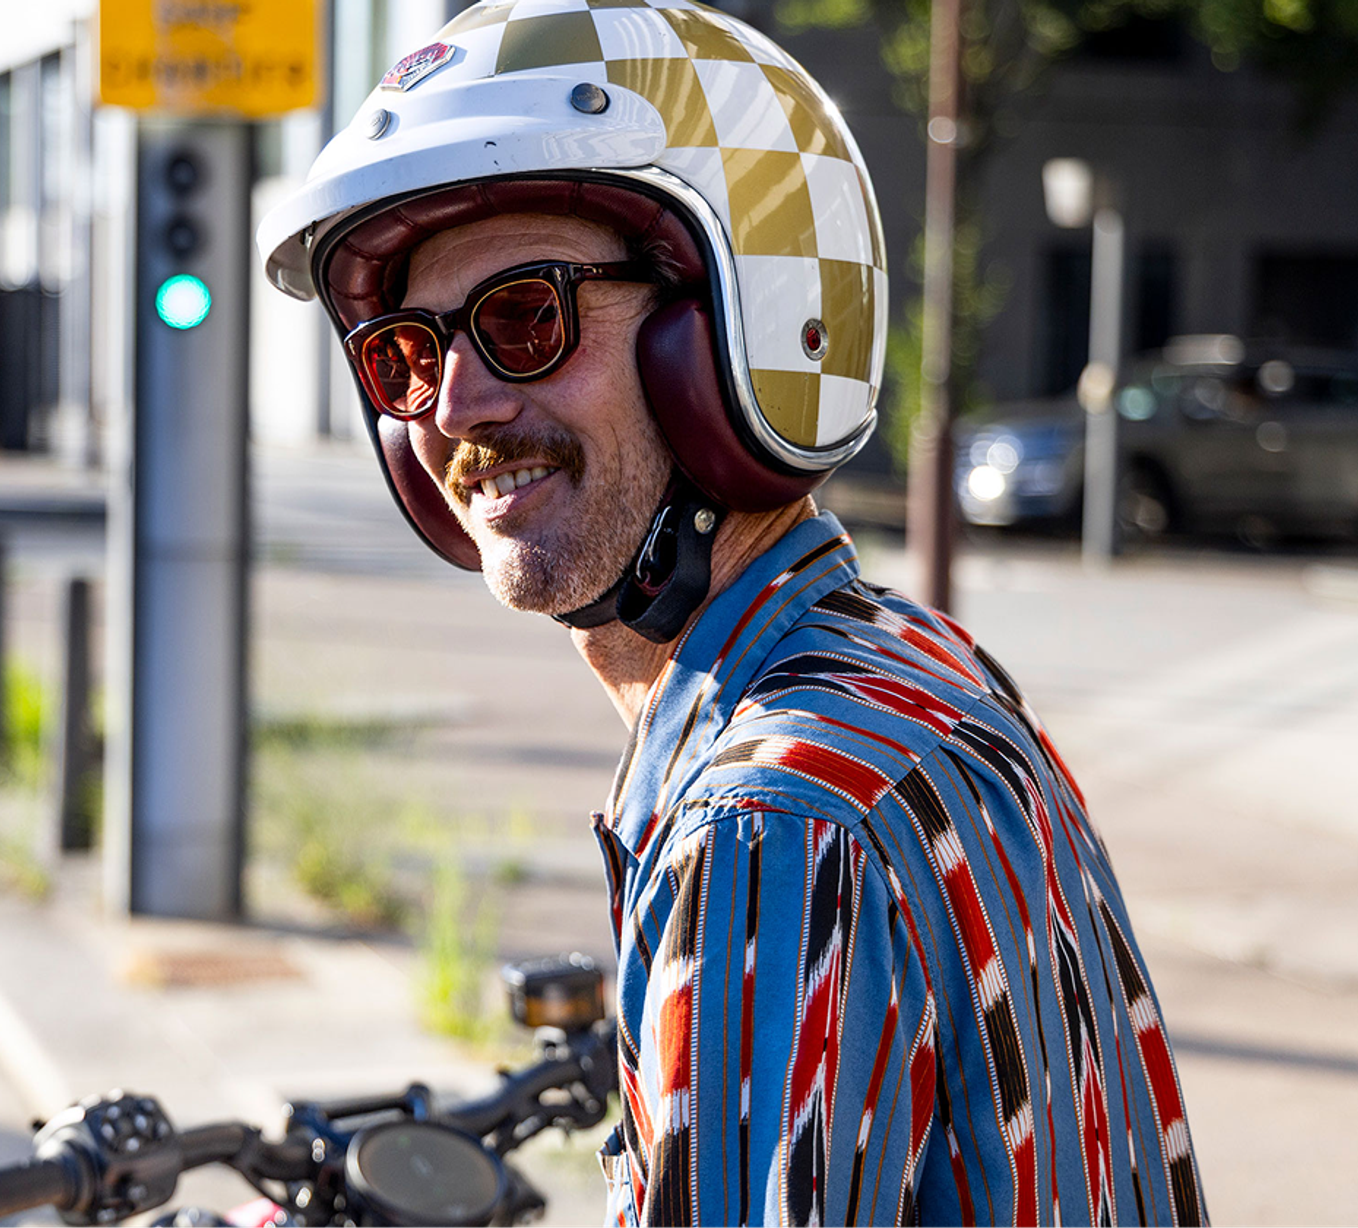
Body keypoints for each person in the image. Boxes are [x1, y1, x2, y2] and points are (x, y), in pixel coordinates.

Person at [257, 4, 1207, 1225]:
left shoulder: (770, 824)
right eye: (402, 354)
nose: (454, 406)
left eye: (525, 317)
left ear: (729, 332)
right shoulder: (915, 666)